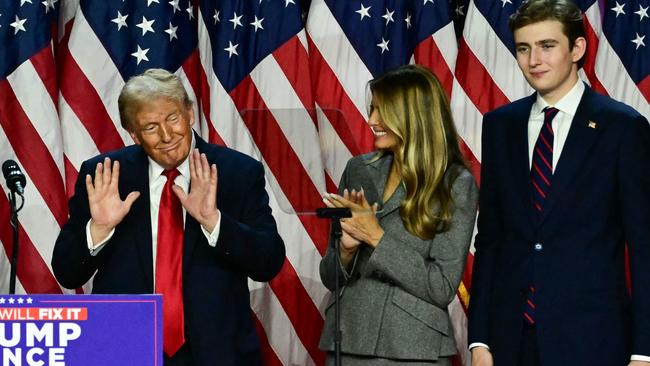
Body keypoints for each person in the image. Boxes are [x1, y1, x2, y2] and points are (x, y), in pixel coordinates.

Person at [52, 68, 285, 366]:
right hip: (124, 351)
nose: (166, 136)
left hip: (216, 354)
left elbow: (268, 262)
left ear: (189, 113)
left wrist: (215, 222)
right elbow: (67, 272)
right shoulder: (106, 176)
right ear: (133, 134)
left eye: (172, 119)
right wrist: (99, 228)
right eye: (150, 127)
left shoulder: (236, 172)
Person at [467, 1, 650, 365]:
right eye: (523, 48)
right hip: (509, 340)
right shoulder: (500, 125)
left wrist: (643, 351)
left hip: (593, 340)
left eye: (547, 45)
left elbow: (644, 247)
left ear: (577, 49)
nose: (534, 59)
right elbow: (490, 239)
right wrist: (480, 340)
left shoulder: (622, 127)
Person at [318, 64, 479, 365]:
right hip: (349, 338)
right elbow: (330, 277)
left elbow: (441, 285)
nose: (371, 121)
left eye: (382, 111)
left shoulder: (456, 184)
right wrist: (345, 252)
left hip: (415, 348)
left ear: (414, 116)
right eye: (372, 109)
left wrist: (376, 237)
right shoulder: (359, 169)